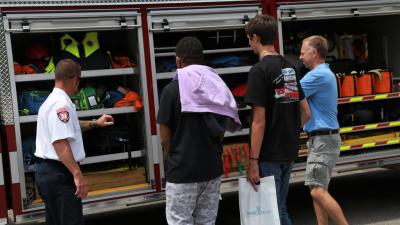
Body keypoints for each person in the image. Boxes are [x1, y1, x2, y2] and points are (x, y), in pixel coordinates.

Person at [157, 36, 241, 225]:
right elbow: (222, 128)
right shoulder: (217, 87)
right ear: (201, 58)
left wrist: (172, 159)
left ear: (178, 60)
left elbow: (164, 137)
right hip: (211, 169)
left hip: (182, 171)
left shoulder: (170, 91)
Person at [244, 15, 311, 225]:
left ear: (255, 37)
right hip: (288, 150)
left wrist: (253, 161)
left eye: (248, 39)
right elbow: (306, 111)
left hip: (269, 154)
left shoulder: (259, 71)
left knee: (275, 211)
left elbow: (259, 121)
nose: (249, 43)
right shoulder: (289, 67)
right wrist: (290, 130)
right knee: (279, 207)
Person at [35, 59, 114, 225]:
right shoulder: (61, 104)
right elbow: (60, 142)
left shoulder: (50, 101)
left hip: (48, 172)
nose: (78, 87)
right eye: (79, 82)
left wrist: (95, 123)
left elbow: (70, 126)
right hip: (59, 174)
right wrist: (77, 175)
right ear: (75, 79)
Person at [299, 35, 349, 225]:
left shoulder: (317, 75)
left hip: (322, 140)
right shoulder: (325, 73)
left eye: (303, 53)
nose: (301, 57)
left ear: (314, 53)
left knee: (317, 191)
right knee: (318, 189)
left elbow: (290, 92)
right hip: (321, 139)